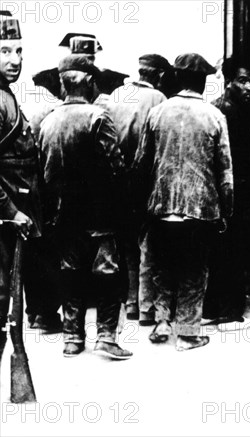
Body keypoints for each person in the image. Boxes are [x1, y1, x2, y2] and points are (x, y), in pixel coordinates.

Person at [133, 53, 233, 351]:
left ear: (176, 78)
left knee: (163, 265)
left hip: (161, 206)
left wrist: (142, 203)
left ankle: (163, 322)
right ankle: (188, 333)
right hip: (200, 208)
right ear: (202, 82)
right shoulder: (215, 116)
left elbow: (141, 162)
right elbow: (225, 169)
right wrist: (226, 209)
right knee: (194, 268)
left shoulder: (158, 113)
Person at [39, 54, 132, 360]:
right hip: (99, 212)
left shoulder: (48, 121)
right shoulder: (98, 117)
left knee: (70, 272)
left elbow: (44, 172)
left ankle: (72, 338)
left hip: (63, 214)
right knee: (108, 272)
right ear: (90, 82)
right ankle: (106, 336)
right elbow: (115, 167)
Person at [108, 54, 170, 324]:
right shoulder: (159, 99)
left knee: (126, 245)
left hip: (118, 180)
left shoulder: (117, 95)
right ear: (159, 75)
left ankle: (130, 303)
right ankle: (147, 308)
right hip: (145, 180)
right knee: (149, 244)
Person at [0, 11, 43, 363]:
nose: (14, 60)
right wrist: (11, 210)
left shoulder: (7, 97)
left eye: (19, 51)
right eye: (4, 51)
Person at [206, 57, 250, 330]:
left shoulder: (217, 107)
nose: (249, 86)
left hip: (219, 193)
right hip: (231, 193)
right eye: (243, 80)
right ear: (228, 82)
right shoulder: (230, 112)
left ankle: (214, 307)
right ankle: (229, 312)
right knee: (232, 249)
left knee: (219, 250)